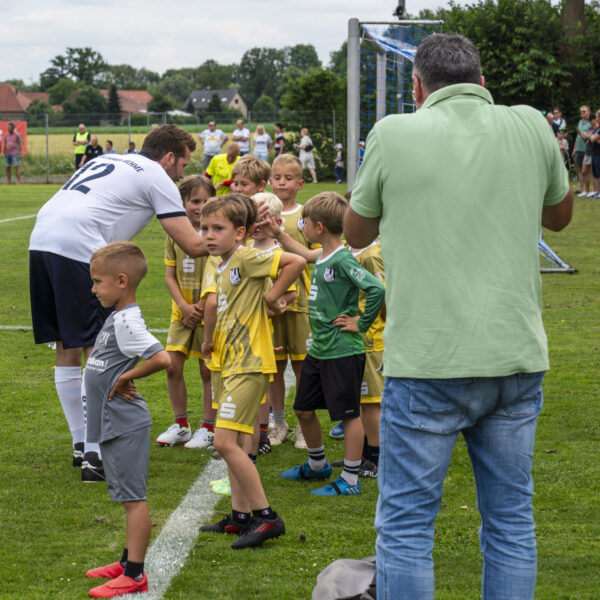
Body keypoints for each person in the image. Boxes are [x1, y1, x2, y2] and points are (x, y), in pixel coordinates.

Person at [344, 33, 573, 598]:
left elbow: (355, 231)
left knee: (406, 526)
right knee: (510, 520)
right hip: (514, 355)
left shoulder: (394, 132)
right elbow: (560, 215)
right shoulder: (531, 124)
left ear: (417, 88)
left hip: (428, 361)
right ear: (482, 81)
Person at [29, 124, 206, 481]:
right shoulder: (156, 174)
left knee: (67, 347)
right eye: (182, 165)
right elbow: (193, 244)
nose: (181, 175)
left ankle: (81, 443)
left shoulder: (110, 158)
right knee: (98, 350)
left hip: (41, 239)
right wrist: (242, 232)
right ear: (168, 157)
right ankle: (95, 453)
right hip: (79, 245)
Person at [197, 194, 305, 548]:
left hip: (249, 364)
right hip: (231, 363)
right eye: (204, 228)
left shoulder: (245, 257)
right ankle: (240, 516)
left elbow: (295, 262)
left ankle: (266, 516)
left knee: (224, 442)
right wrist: (211, 340)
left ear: (240, 232)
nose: (209, 235)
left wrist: (274, 297)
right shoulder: (223, 264)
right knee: (237, 442)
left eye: (218, 228)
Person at [278, 192, 385, 496]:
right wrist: (278, 233)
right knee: (303, 409)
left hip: (343, 351)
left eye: (304, 222)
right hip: (320, 349)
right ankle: (317, 465)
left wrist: (359, 323)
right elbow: (306, 254)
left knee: (349, 414)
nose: (302, 226)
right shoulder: (325, 254)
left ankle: (350, 479)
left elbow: (376, 289)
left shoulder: (343, 258)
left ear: (319, 227)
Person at [83, 241, 170, 598]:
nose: (93, 289)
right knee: (126, 497)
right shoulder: (118, 316)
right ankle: (126, 561)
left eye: (97, 282)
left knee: (134, 500)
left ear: (121, 281)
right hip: (114, 420)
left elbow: (162, 358)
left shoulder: (128, 321)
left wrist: (125, 378)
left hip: (125, 422)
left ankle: (134, 575)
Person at [155, 175, 217, 449]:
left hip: (209, 313)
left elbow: (220, 275)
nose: (200, 206)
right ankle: (181, 425)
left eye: (206, 201)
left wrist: (201, 307)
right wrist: (183, 306)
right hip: (182, 313)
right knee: (172, 366)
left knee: (207, 371)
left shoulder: (217, 234)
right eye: (194, 201)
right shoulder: (174, 234)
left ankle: (208, 427)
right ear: (182, 203)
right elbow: (170, 276)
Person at [264, 154, 313, 449]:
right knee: (274, 367)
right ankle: (278, 422)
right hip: (268, 307)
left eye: (289, 178)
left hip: (301, 303)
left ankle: (305, 426)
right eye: (278, 177)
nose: (282, 183)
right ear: (270, 181)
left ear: (300, 183)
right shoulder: (261, 209)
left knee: (303, 367)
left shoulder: (306, 214)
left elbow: (316, 254)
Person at [573, 105, 593, 197]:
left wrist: (582, 134)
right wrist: (574, 148)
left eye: (583, 111)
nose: (581, 113)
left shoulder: (591, 122)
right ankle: (580, 189)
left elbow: (589, 136)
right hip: (579, 149)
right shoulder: (580, 122)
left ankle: (591, 190)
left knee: (588, 171)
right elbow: (578, 136)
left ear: (588, 112)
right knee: (580, 170)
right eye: (580, 111)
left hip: (587, 149)